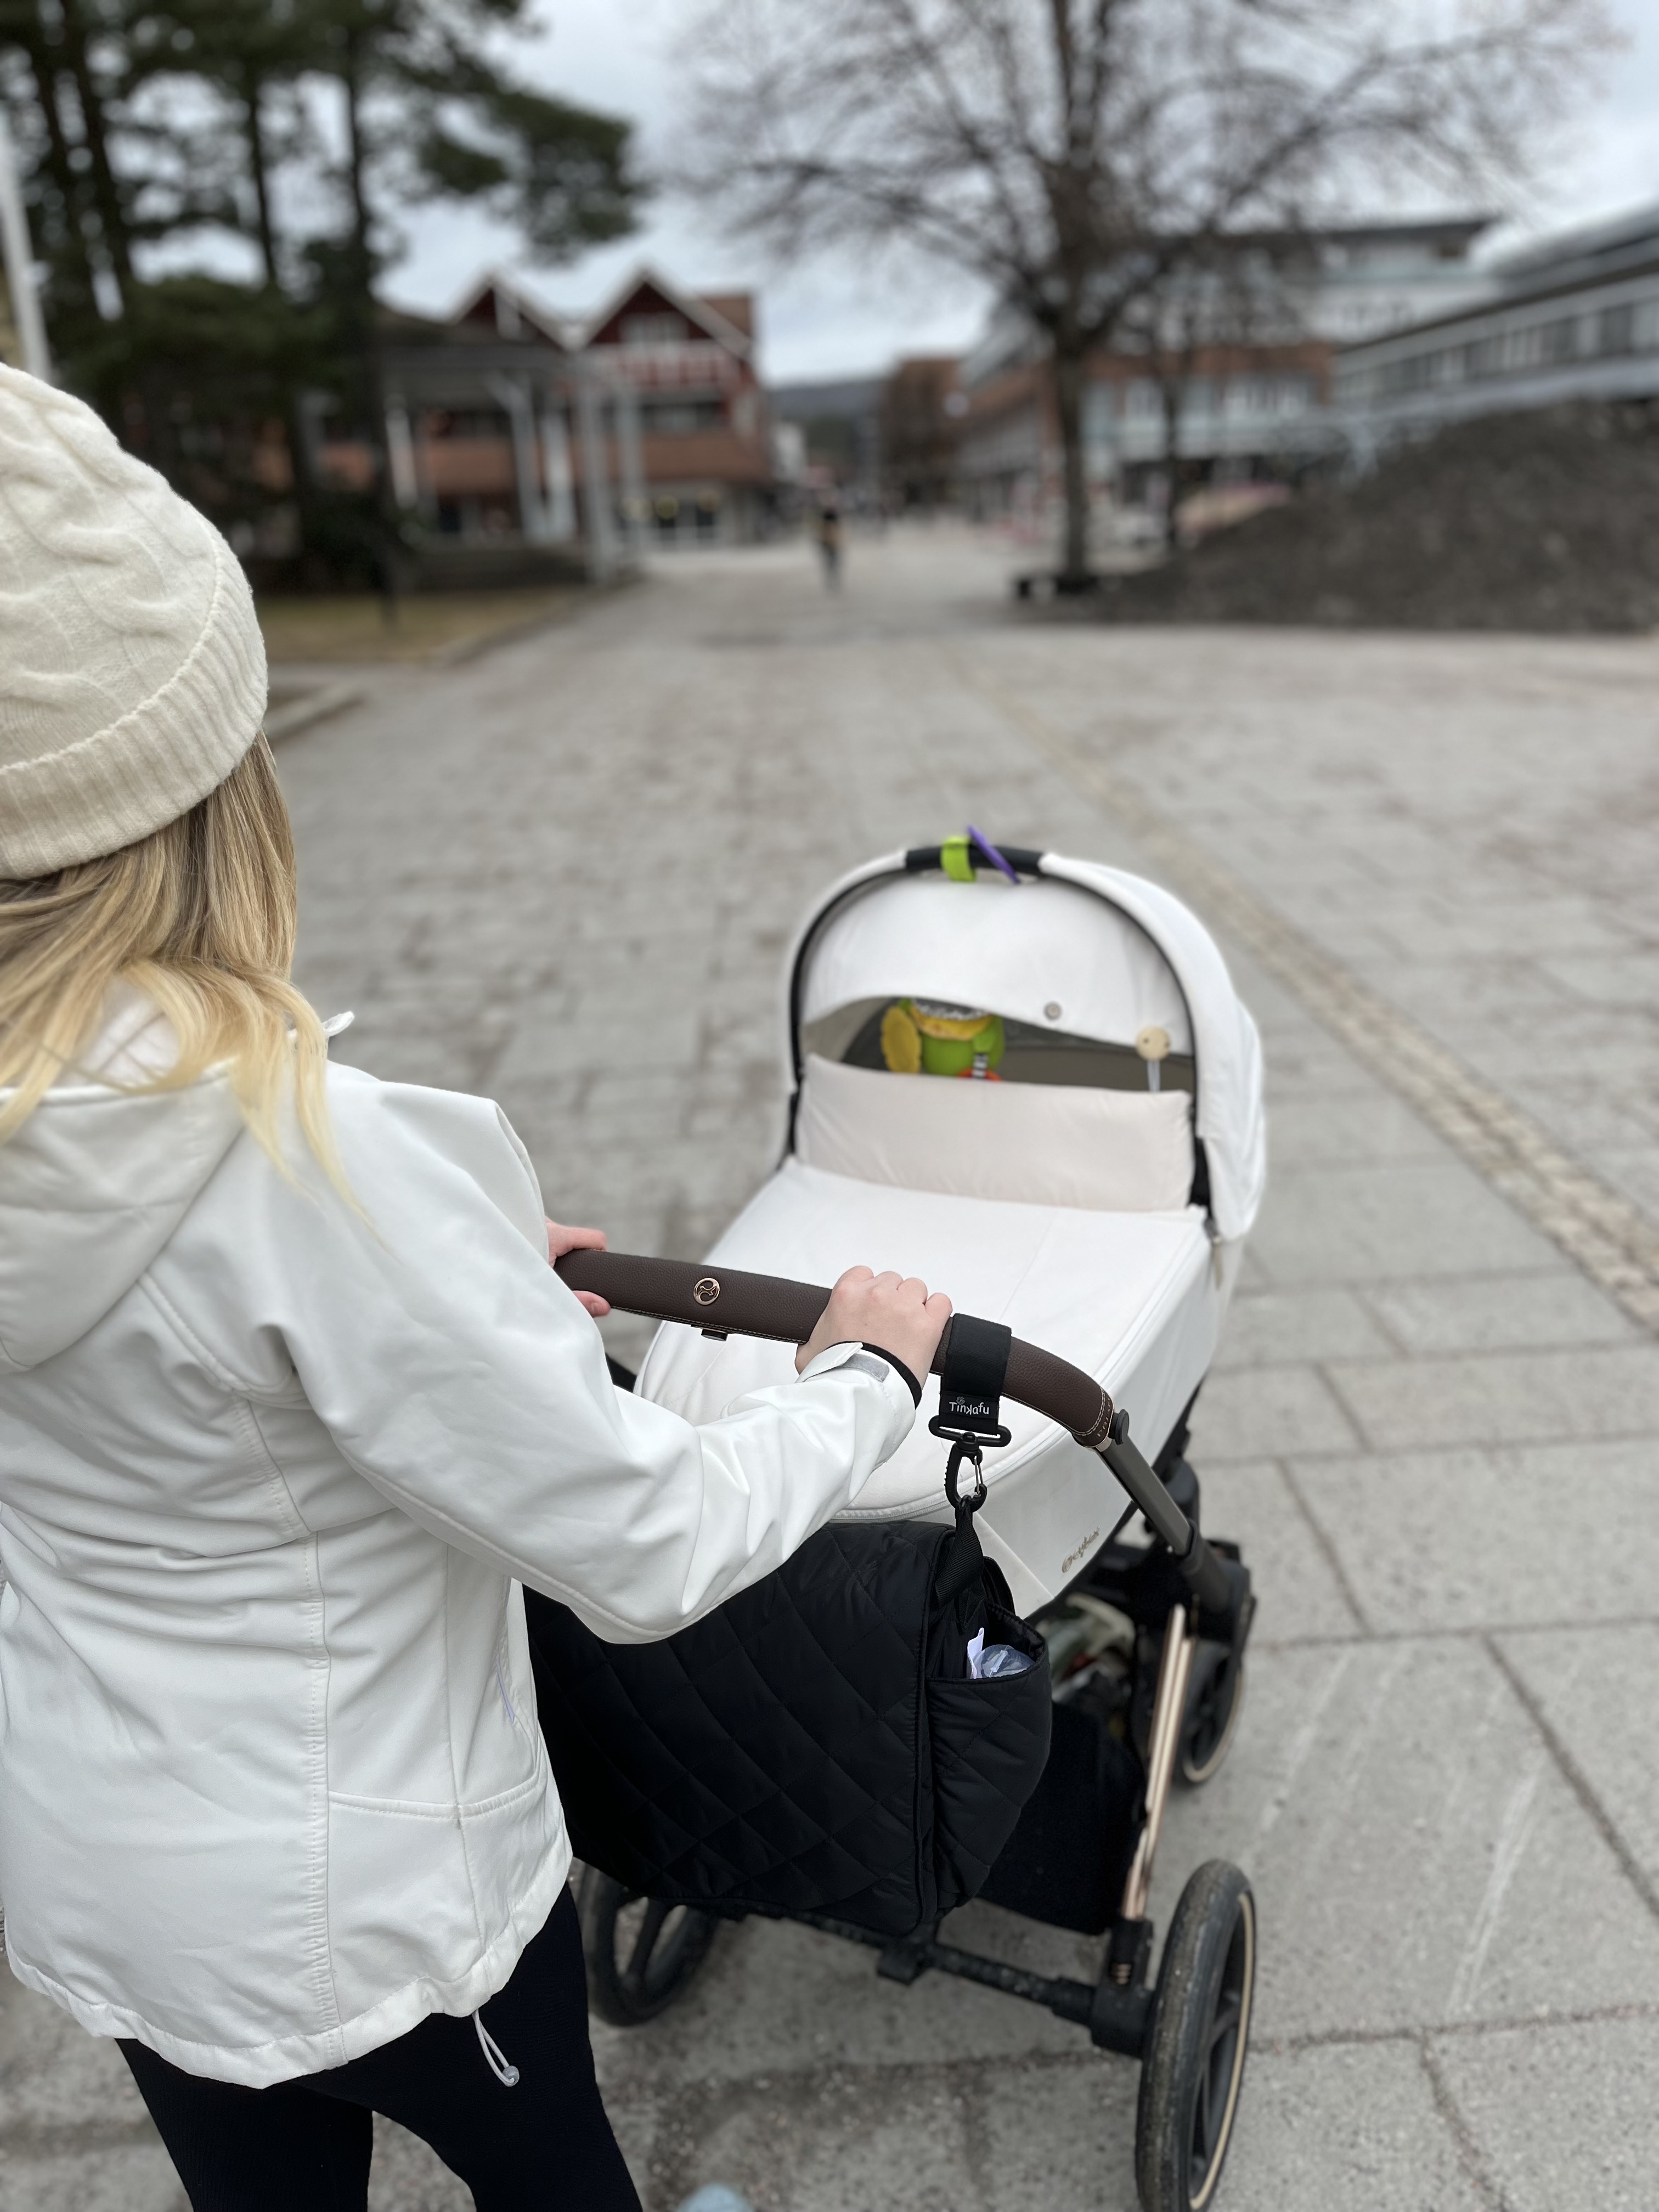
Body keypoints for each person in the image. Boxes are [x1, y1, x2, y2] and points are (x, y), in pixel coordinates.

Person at [0, 365, 951, 2211]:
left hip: (111, 1873)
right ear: (206, 788)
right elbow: (640, 1545)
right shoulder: (307, 1163)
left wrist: (470, 1312)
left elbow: (169, 1392)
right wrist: (864, 1380)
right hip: (379, 1902)